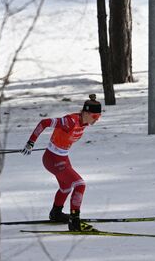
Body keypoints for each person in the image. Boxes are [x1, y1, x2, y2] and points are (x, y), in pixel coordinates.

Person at [21, 94, 102, 231]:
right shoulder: (69, 121)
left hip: (62, 157)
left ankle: (56, 213)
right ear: (86, 113)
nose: (96, 120)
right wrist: (31, 142)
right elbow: (44, 122)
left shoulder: (83, 121)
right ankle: (74, 221)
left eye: (99, 117)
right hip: (53, 159)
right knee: (80, 184)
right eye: (94, 117)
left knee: (66, 187)